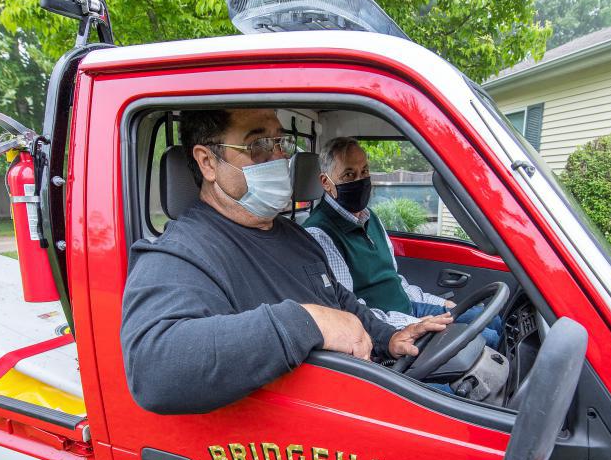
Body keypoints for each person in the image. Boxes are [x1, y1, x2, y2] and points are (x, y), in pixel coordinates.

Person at [120, 109, 451, 414]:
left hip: (359, 396)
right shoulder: (183, 252)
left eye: (281, 142)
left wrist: (389, 338)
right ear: (208, 162)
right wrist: (308, 322)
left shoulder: (294, 235)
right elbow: (153, 369)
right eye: (260, 144)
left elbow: (340, 300)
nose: (279, 156)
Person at [302, 137, 502, 348]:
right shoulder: (320, 234)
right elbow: (350, 310)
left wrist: (441, 303)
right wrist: (413, 324)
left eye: (365, 171)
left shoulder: (370, 218)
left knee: (489, 318)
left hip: (410, 309)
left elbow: (396, 281)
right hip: (389, 328)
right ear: (326, 183)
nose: (360, 180)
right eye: (349, 174)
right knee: (487, 340)